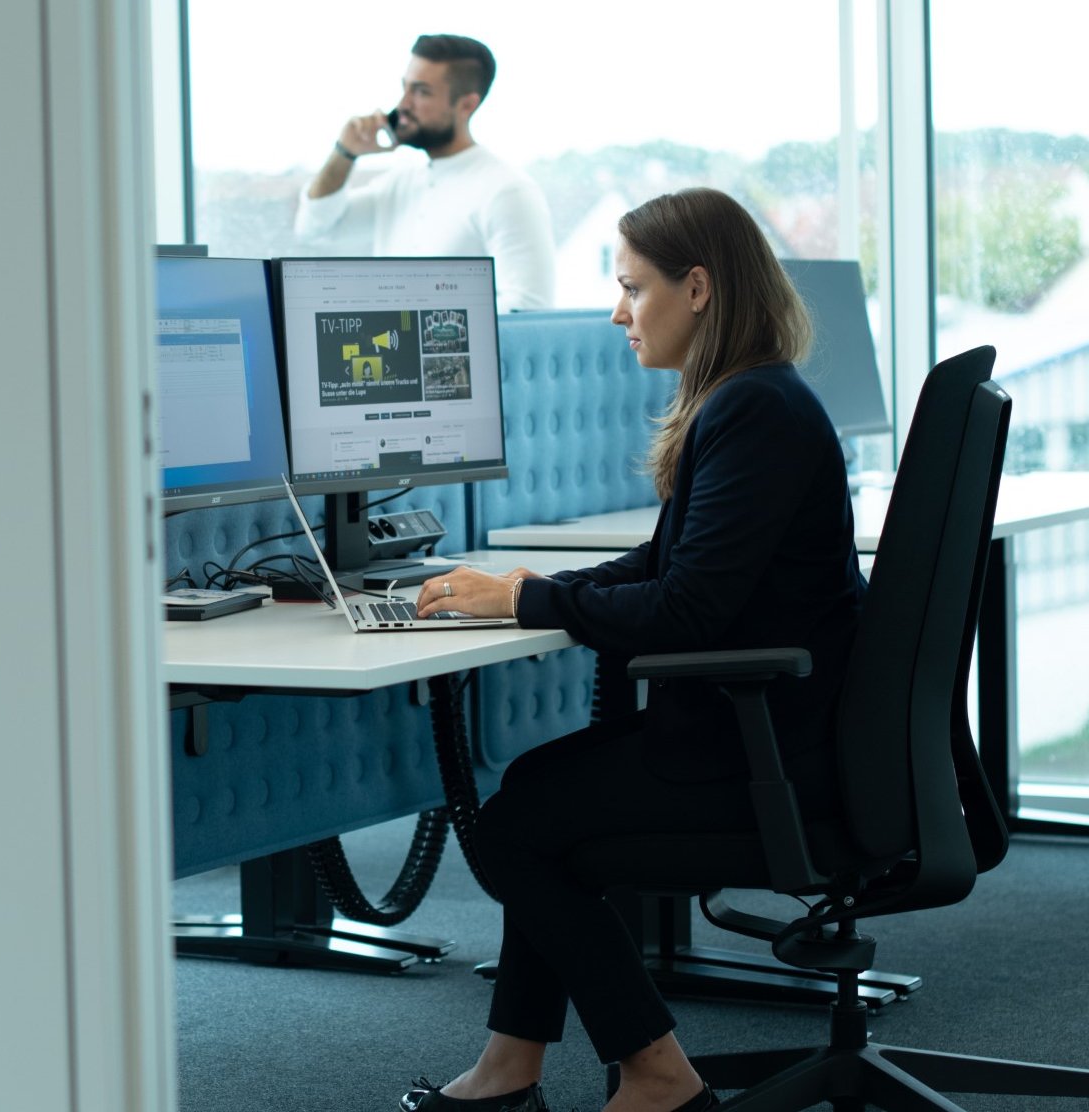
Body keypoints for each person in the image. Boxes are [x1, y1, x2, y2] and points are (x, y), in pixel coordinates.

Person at [401, 188, 863, 1112]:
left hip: (768, 755)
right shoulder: (751, 398)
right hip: (776, 734)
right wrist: (530, 593)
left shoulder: (756, 410)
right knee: (531, 796)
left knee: (517, 831)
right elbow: (666, 560)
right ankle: (509, 1070)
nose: (617, 312)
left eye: (631, 288)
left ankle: (656, 1076)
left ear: (697, 288)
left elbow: (687, 608)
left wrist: (532, 603)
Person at [295, 34, 556, 312]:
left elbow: (528, 308)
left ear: (467, 105)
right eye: (404, 88)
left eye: (421, 92)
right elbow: (314, 228)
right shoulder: (398, 184)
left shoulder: (506, 191)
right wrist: (345, 153)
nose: (403, 104)